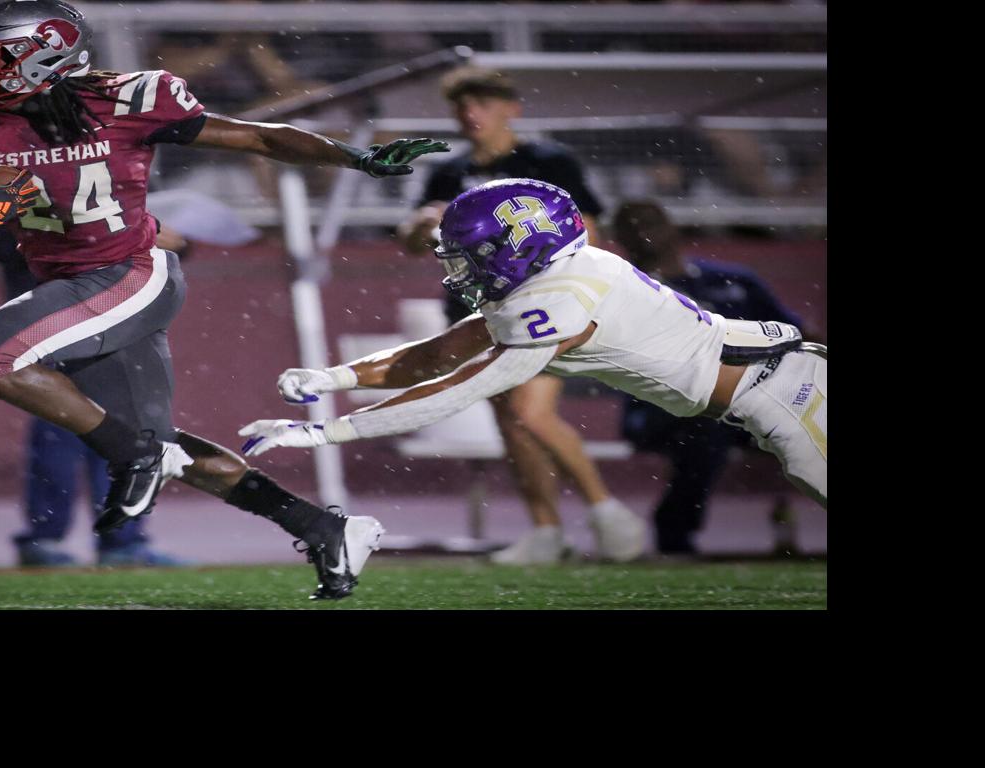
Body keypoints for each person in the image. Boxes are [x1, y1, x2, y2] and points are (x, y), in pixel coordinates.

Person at [0, 0, 448, 600]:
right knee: (160, 443)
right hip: (68, 282)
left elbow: (260, 138)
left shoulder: (125, 102)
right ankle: (324, 528)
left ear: (41, 57)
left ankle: (133, 459)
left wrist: (356, 157)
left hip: (130, 273)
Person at [239, 180, 827, 575]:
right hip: (766, 389)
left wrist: (323, 433)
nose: (455, 268)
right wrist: (331, 376)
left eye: (469, 253)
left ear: (518, 246)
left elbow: (458, 388)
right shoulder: (558, 273)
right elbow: (439, 353)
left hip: (789, 398)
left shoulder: (560, 300)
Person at [395, 67, 645, 565]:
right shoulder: (448, 172)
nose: (472, 114)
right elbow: (413, 242)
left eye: (483, 102)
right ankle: (547, 530)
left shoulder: (546, 161)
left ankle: (606, 510)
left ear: (512, 107)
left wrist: (567, 292)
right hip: (482, 314)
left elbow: (586, 230)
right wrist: (423, 226)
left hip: (545, 307)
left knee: (532, 414)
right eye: (463, 105)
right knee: (511, 422)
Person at [0, 224, 188, 568]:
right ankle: (73, 538)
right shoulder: (33, 189)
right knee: (66, 432)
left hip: (99, 323)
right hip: (61, 324)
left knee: (112, 433)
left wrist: (167, 241)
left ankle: (108, 539)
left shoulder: (40, 185)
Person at [611, 199, 808, 555]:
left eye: (651, 222)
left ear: (672, 227)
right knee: (708, 426)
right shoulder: (627, 291)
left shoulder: (735, 280)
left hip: (753, 403)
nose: (644, 232)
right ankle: (674, 535)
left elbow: (798, 334)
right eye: (632, 226)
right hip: (660, 409)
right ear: (621, 239)